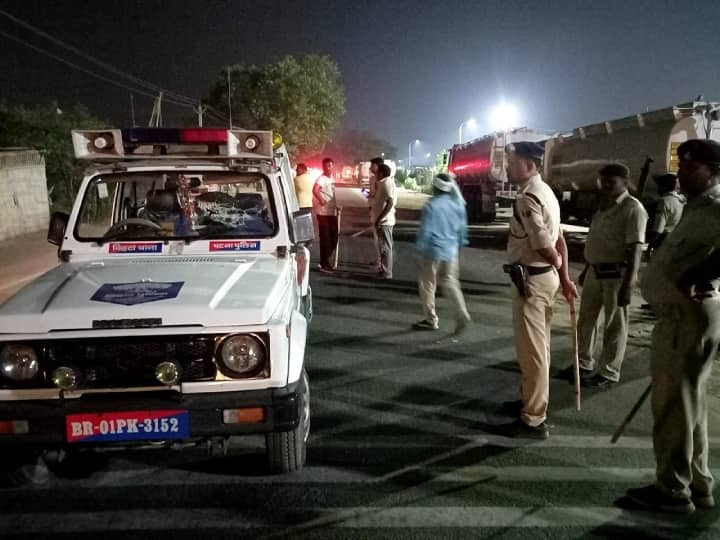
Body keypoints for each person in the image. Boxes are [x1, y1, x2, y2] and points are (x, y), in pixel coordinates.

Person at [624, 139, 720, 514]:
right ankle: (698, 482)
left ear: (714, 171)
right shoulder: (696, 208)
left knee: (672, 408)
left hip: (687, 318)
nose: (681, 173)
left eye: (691, 168)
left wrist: (701, 273)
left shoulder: (714, 207)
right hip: (683, 318)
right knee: (689, 404)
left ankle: (672, 490)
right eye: (681, 166)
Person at [503, 141, 577, 439]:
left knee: (532, 351)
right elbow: (560, 239)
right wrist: (565, 276)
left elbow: (546, 245)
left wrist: (557, 263)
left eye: (512, 161)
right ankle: (530, 401)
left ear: (529, 164)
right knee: (538, 346)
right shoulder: (547, 192)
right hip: (543, 278)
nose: (508, 165)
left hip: (532, 281)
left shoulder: (529, 197)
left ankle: (533, 418)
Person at [560, 164, 648, 389]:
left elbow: (636, 249)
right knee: (586, 321)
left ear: (625, 182)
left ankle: (609, 372)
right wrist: (587, 270)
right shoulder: (604, 206)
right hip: (595, 273)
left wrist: (629, 284)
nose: (606, 185)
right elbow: (597, 242)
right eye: (603, 181)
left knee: (614, 326)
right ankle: (583, 364)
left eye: (612, 181)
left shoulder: (633, 208)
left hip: (617, 276)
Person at [413, 173, 471, 335]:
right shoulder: (458, 204)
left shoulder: (432, 205)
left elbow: (426, 230)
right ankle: (461, 312)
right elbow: (462, 230)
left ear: (435, 187)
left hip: (432, 251)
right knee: (451, 283)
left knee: (427, 284)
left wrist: (419, 249)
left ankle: (431, 319)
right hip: (451, 251)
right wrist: (459, 245)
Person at [647, 173, 685, 252]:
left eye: (659, 186)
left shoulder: (664, 201)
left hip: (663, 242)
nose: (657, 188)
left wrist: (649, 248)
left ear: (664, 187)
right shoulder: (681, 200)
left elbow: (658, 228)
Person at [313, 158, 339, 272]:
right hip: (323, 213)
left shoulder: (331, 178)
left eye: (330, 165)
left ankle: (324, 260)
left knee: (334, 238)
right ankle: (324, 264)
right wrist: (321, 199)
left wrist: (336, 205)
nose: (329, 167)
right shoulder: (322, 178)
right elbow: (315, 190)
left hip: (332, 212)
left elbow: (331, 193)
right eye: (326, 166)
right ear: (323, 167)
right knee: (325, 239)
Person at [371, 163, 396, 278]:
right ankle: (384, 269)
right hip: (381, 221)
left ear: (381, 173)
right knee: (383, 247)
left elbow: (390, 202)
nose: (375, 173)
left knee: (386, 247)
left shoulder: (387, 184)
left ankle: (387, 273)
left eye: (377, 172)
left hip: (385, 222)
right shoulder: (382, 183)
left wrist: (379, 219)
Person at [367, 157, 384, 269]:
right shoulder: (372, 178)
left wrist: (372, 196)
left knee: (381, 240)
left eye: (372, 165)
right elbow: (372, 194)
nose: (370, 168)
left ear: (378, 166)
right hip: (373, 210)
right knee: (376, 239)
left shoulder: (383, 181)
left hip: (380, 213)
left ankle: (383, 263)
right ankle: (378, 259)